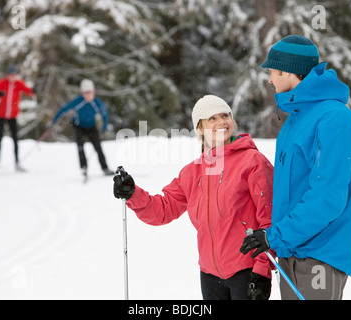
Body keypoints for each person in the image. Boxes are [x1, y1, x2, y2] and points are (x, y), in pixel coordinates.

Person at [240, 35, 351, 300]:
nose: (270, 79)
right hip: (292, 251)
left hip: (319, 254)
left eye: (273, 71)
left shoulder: (333, 118)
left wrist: (277, 236)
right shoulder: (296, 120)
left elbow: (327, 197)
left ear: (289, 71)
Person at [113, 95, 275, 300]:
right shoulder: (193, 172)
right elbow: (162, 209)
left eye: (225, 116)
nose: (221, 122)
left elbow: (269, 219)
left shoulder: (253, 161)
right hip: (209, 275)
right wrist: (133, 194)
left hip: (245, 271)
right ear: (200, 128)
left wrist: (262, 271)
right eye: (212, 119)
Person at [50, 79, 114, 177]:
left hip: (91, 127)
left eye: (90, 93)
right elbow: (63, 109)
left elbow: (105, 116)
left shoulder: (98, 103)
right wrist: (53, 121)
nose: (88, 95)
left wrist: (103, 129)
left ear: (93, 92)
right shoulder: (78, 101)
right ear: (82, 93)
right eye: (85, 93)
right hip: (78, 126)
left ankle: (105, 168)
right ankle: (84, 167)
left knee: (98, 147)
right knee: (80, 147)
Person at [0, 66, 34, 171]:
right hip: (0, 115)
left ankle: (17, 162)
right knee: (0, 138)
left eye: (14, 75)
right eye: (10, 75)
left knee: (15, 139)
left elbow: (29, 92)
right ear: (7, 75)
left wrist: (33, 91)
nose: (12, 77)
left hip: (12, 116)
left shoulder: (18, 83)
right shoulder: (1, 83)